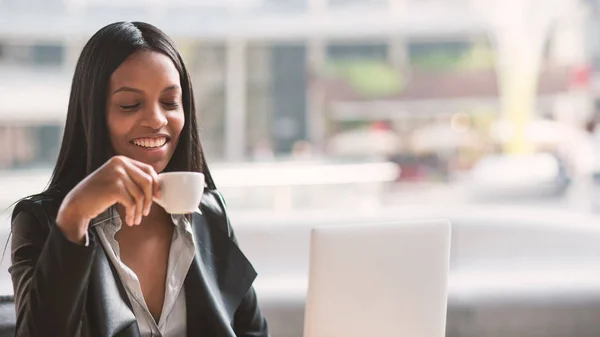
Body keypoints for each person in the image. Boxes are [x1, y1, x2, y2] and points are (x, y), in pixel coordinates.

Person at [9, 22, 269, 337]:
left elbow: (253, 332)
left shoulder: (210, 213)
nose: (157, 120)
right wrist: (76, 215)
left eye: (171, 102)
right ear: (93, 113)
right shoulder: (42, 222)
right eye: (130, 105)